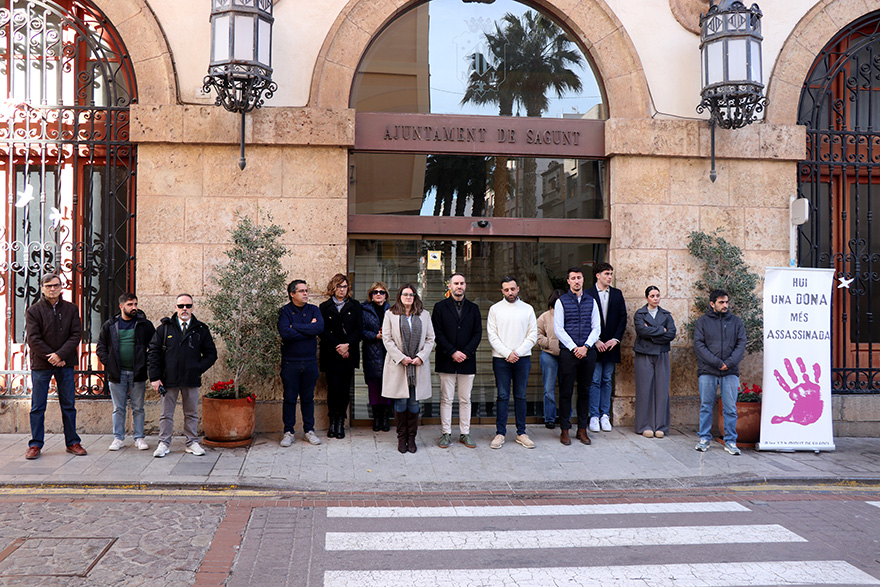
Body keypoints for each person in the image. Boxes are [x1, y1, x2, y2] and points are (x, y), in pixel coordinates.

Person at [24, 272, 86, 459]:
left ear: (61, 287)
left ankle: (72, 442)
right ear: (42, 288)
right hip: (41, 365)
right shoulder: (33, 311)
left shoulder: (71, 309)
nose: (52, 289)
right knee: (37, 406)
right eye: (48, 286)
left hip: (65, 363)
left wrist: (60, 355)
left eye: (56, 285)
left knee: (68, 405)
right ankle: (35, 444)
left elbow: (76, 335)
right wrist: (52, 356)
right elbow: (33, 339)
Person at [148, 293, 217, 458]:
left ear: (192, 307)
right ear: (175, 308)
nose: (184, 309)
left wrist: (197, 368)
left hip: (190, 379)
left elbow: (211, 354)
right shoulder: (164, 329)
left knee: (191, 412)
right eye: (181, 306)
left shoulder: (200, 329)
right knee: (166, 414)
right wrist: (155, 377)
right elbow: (153, 354)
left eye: (188, 306)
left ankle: (192, 442)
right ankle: (164, 443)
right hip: (168, 379)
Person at [96, 292, 156, 451]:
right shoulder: (110, 325)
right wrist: (109, 363)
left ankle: (139, 438)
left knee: (138, 407)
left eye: (135, 304)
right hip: (117, 373)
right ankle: (118, 438)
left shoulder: (145, 324)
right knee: (118, 408)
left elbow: (155, 346)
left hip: (138, 373)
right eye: (130, 305)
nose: (134, 307)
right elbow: (101, 346)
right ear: (121, 306)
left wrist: (147, 362)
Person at [381, 284, 435, 454]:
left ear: (415, 297)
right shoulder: (390, 314)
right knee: (400, 401)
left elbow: (430, 338)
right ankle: (401, 437)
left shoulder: (424, 315)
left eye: (411, 294)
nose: (408, 297)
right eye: (405, 294)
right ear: (400, 296)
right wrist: (401, 357)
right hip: (399, 365)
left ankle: (412, 437)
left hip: (417, 365)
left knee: (413, 402)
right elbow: (387, 339)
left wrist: (421, 357)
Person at [694, 288, 747, 455]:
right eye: (721, 302)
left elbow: (741, 344)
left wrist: (728, 363)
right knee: (706, 406)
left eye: (726, 302)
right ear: (712, 304)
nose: (725, 305)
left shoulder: (736, 322)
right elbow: (699, 345)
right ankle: (704, 439)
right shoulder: (702, 322)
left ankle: (730, 441)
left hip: (730, 371)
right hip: (708, 370)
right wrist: (717, 363)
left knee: (730, 408)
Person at [487, 276, 537, 449]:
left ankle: (521, 433)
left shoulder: (528, 309)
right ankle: (500, 433)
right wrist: (508, 353)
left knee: (520, 396)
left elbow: (533, 335)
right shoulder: (495, 309)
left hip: (522, 359)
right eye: (506, 289)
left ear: (518, 289)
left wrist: (518, 353)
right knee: (502, 396)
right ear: (502, 291)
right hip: (501, 360)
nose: (510, 292)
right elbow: (492, 335)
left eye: (512, 289)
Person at [432, 273, 481, 449]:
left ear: (465, 286)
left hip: (467, 361)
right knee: (446, 399)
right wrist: (452, 352)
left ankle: (465, 433)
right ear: (450, 286)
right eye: (455, 283)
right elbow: (437, 333)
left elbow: (477, 334)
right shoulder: (439, 307)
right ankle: (446, 433)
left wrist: (465, 353)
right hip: (446, 359)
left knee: (465, 399)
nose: (459, 286)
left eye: (461, 283)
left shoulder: (474, 308)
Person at [554, 267, 601, 446]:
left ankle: (582, 429)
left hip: (588, 352)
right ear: (568, 281)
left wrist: (586, 346)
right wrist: (575, 348)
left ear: (583, 280)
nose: (576, 281)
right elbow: (559, 329)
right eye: (573, 278)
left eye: (579, 278)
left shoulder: (592, 301)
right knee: (565, 392)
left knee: (585, 391)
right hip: (568, 353)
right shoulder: (561, 301)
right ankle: (565, 430)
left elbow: (596, 327)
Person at [278, 279, 324, 447]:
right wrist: (307, 328)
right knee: (289, 398)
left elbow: (318, 329)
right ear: (292, 294)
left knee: (308, 398)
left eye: (306, 290)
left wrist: (295, 326)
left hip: (310, 362)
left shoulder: (314, 310)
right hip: (291, 363)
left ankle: (309, 431)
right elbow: (285, 333)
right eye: (301, 291)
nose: (306, 294)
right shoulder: (285, 311)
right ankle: (288, 432)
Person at [319, 273, 362, 440]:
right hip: (331, 354)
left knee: (344, 390)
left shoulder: (355, 305)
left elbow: (359, 330)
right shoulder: (324, 307)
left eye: (344, 287)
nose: (342, 290)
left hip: (348, 354)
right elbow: (322, 331)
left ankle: (341, 422)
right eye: (339, 286)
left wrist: (347, 345)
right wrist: (338, 346)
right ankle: (332, 421)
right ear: (333, 287)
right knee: (333, 389)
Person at [586, 263, 627, 433]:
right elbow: (585, 319)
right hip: (594, 345)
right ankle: (594, 415)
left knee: (607, 379)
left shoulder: (617, 294)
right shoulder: (588, 294)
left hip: (611, 346)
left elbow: (622, 318)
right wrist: (595, 341)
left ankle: (605, 415)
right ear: (597, 275)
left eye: (611, 274)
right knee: (595, 380)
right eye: (606, 274)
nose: (609, 277)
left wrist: (615, 340)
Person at [633, 286, 677, 439]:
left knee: (662, 389)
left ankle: (660, 426)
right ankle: (645, 425)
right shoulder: (640, 314)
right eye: (652, 296)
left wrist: (653, 333)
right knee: (645, 389)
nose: (655, 298)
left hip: (661, 354)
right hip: (644, 354)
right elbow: (641, 331)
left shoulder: (666, 315)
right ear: (647, 298)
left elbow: (671, 333)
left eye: (657, 295)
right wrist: (661, 331)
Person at [361, 281, 392, 432]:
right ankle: (376, 419)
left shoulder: (393, 310)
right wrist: (375, 336)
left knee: (387, 387)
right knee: (373, 388)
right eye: (375, 292)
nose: (378, 294)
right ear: (371, 295)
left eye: (382, 292)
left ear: (386, 295)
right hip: (371, 353)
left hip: (388, 353)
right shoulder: (363, 309)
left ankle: (385, 419)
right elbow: (360, 331)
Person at [536, 289, 564, 429]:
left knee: (566, 389)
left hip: (567, 356)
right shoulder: (544, 317)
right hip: (548, 356)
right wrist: (550, 344)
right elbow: (537, 334)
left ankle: (566, 418)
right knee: (548, 388)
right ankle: (550, 418)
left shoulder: (570, 315)